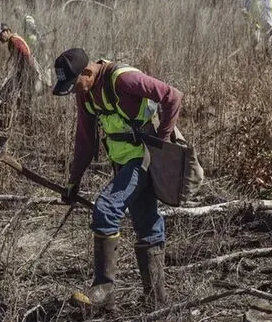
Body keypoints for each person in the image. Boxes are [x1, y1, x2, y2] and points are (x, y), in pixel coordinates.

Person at [52, 48, 183, 311]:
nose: (75, 91)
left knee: (106, 209)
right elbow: (85, 141)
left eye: (75, 84)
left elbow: (173, 96)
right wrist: (73, 180)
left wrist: (161, 139)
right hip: (122, 162)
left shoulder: (123, 79)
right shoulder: (86, 94)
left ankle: (104, 289)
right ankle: (157, 302)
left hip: (143, 158)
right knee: (146, 224)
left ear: (88, 72)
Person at [0, 22, 44, 108]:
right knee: (7, 91)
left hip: (28, 72)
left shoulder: (14, 41)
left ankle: (18, 111)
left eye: (0, 34)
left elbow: (26, 55)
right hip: (24, 71)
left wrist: (30, 75)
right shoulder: (12, 41)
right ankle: (15, 109)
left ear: (7, 31)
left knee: (10, 92)